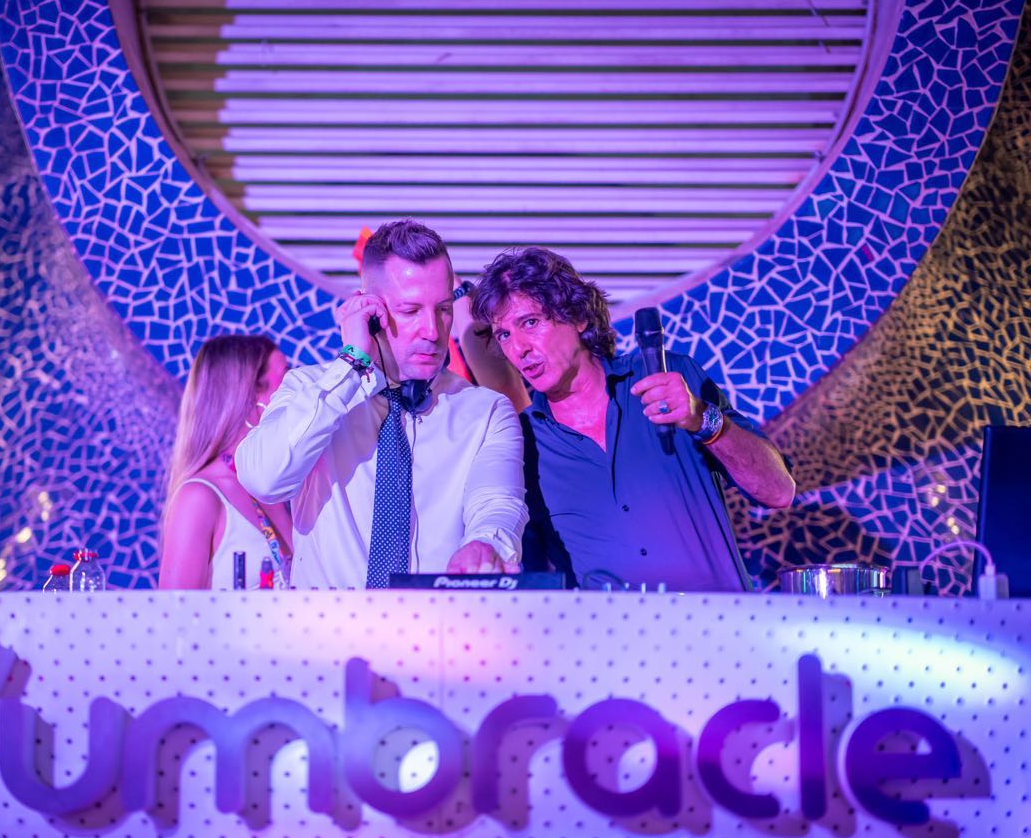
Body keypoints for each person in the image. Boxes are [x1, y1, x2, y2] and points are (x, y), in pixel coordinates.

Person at [468, 247, 795, 592]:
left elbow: (778, 492)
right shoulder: (522, 441)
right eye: (504, 335)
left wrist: (704, 419)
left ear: (577, 316)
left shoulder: (666, 376)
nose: (519, 349)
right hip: (606, 627)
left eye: (530, 323)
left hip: (717, 621)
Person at [235, 220, 528, 588]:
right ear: (368, 309)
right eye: (410, 311)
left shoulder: (485, 412)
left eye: (442, 309)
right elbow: (264, 480)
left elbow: (498, 504)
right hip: (324, 623)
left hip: (439, 619)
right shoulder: (310, 390)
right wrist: (352, 363)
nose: (432, 331)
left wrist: (485, 545)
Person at [159, 334, 292, 589]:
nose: (298, 389)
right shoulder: (199, 496)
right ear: (250, 396)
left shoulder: (277, 486)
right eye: (287, 377)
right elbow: (172, 610)